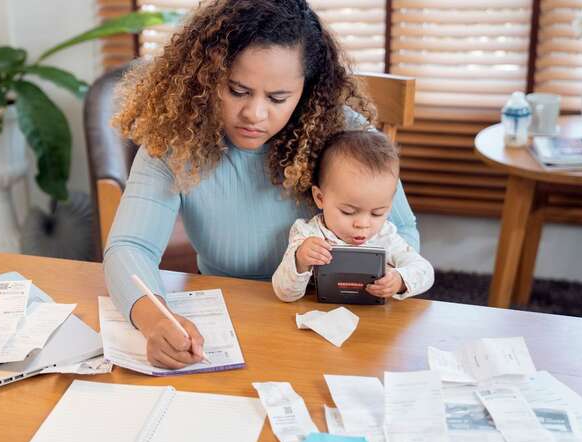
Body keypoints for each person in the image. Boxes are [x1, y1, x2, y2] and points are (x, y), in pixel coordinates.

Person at [105, 0, 421, 369]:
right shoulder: (177, 138)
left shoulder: (344, 134)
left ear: (306, 89)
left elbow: (404, 230)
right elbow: (129, 246)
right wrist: (155, 319)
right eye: (238, 90)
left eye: (277, 98)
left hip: (334, 322)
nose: (254, 115)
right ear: (208, 76)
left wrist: (386, 280)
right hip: (230, 321)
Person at [272, 130, 434, 302]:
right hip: (321, 314)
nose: (363, 224)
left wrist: (400, 280)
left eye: (377, 213)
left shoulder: (385, 236)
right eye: (348, 212)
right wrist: (300, 261)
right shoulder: (307, 234)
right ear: (320, 198)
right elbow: (284, 293)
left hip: (373, 318)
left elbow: (425, 271)